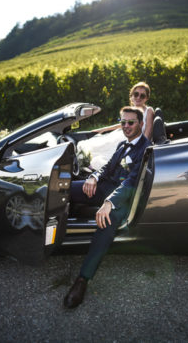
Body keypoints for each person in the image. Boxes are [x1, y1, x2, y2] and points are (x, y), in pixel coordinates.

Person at [63, 106, 152, 309]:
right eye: (123, 122)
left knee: (106, 220)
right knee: (63, 188)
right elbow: (107, 167)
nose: (126, 126)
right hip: (104, 188)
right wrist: (93, 178)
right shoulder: (123, 143)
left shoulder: (145, 149)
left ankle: (82, 280)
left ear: (140, 123)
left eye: (131, 122)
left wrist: (109, 202)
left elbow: (131, 182)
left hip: (123, 198)